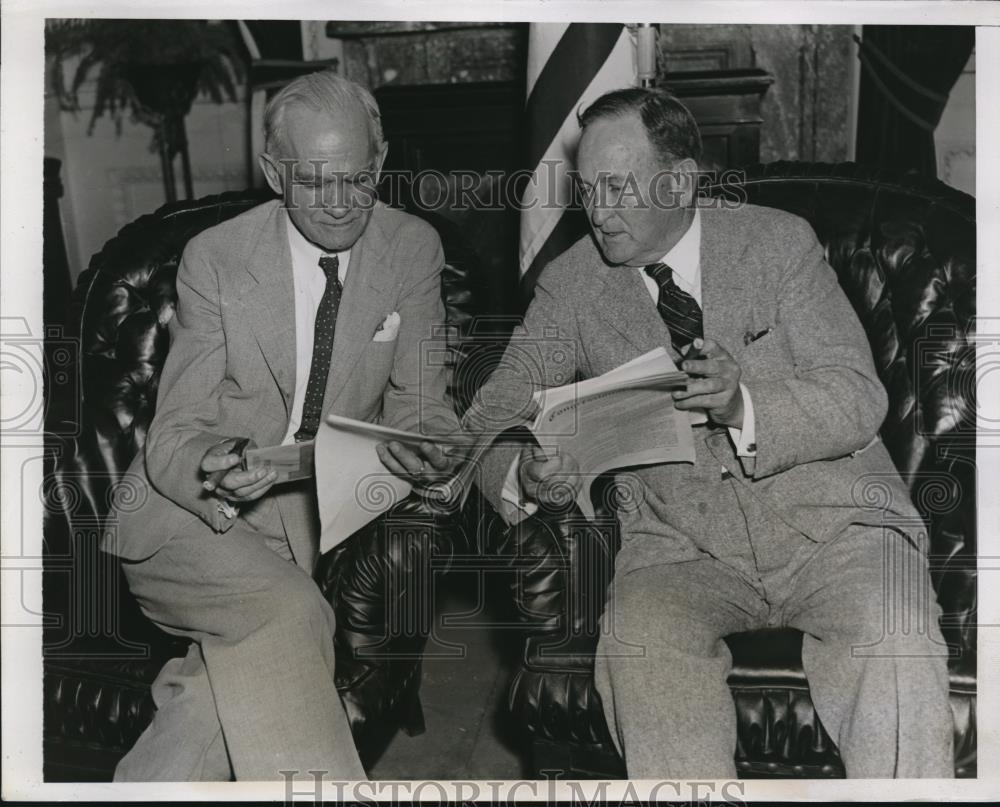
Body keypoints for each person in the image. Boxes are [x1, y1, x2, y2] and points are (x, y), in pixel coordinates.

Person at [463, 87, 953, 778]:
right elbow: (489, 418)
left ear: (681, 177)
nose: (597, 212)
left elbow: (858, 395)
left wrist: (743, 402)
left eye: (616, 186)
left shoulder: (778, 243)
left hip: (838, 529)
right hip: (677, 549)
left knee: (895, 642)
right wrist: (522, 471)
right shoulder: (569, 285)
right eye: (585, 189)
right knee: (640, 647)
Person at [102, 70, 461, 781]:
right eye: (315, 182)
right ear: (274, 172)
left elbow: (425, 405)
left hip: (307, 527)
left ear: (381, 159)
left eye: (358, 179)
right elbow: (173, 433)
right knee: (295, 615)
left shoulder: (410, 248)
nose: (339, 205)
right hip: (186, 518)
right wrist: (221, 460)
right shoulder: (218, 258)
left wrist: (426, 446)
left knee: (211, 699)